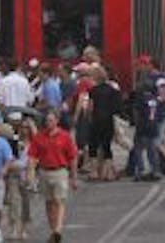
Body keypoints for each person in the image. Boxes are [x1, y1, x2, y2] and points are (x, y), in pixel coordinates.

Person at [27, 111, 76, 243]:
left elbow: (72, 157)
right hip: (44, 172)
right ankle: (53, 230)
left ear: (57, 121)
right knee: (49, 203)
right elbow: (32, 156)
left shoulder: (65, 136)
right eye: (47, 120)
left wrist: (74, 177)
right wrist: (30, 175)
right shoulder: (39, 137)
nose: (48, 123)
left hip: (60, 171)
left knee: (59, 201)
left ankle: (58, 230)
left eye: (51, 120)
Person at [85, 67, 121, 182]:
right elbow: (116, 108)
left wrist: (87, 117)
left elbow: (90, 108)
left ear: (96, 77)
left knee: (93, 146)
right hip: (108, 120)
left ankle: (94, 172)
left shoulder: (93, 90)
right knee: (106, 146)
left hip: (96, 120)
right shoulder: (112, 90)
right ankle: (109, 173)